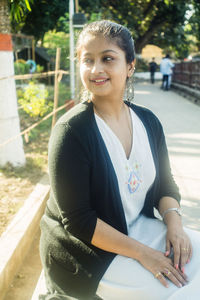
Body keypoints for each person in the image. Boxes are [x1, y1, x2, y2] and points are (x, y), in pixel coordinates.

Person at [40, 20, 200, 300]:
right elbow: (79, 221)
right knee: (178, 292)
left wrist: (175, 225)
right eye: (87, 60)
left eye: (107, 59)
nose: (96, 69)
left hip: (141, 229)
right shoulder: (71, 132)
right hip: (90, 252)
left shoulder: (148, 122)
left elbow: (165, 185)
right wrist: (145, 255)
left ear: (130, 66)